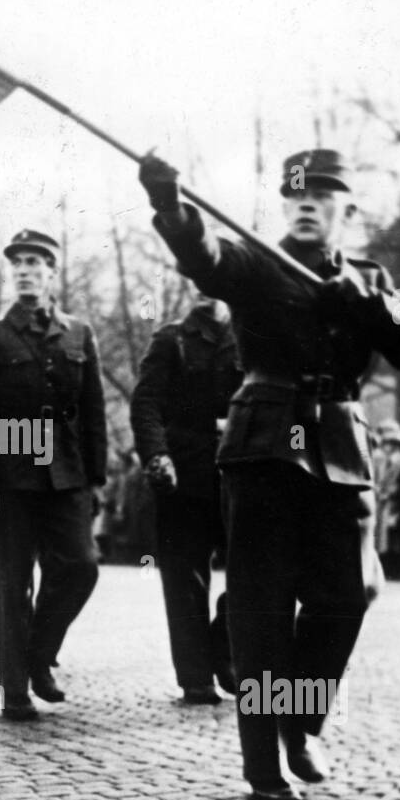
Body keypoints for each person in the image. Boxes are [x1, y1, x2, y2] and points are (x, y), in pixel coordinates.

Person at [139, 148, 400, 800]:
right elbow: (204, 257)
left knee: (349, 593)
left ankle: (299, 720)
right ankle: (262, 765)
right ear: (284, 206)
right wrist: (169, 205)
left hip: (339, 440)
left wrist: (364, 303)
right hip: (264, 442)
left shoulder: (369, 277)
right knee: (260, 606)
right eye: (295, 196)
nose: (306, 205)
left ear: (347, 210)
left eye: (321, 196)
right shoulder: (254, 261)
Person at [0, 229, 108, 721]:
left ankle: (40, 654)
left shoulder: (79, 333)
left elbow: (93, 412)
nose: (25, 270)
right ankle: (15, 688)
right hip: (11, 476)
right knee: (11, 583)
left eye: (35, 262)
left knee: (81, 566)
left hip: (66, 475)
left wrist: (97, 480)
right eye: (17, 263)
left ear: (52, 272)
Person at [130, 298, 242, 704]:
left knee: (258, 567)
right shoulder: (171, 339)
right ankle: (195, 676)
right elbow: (146, 404)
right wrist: (157, 456)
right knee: (183, 579)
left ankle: (223, 645)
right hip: (184, 474)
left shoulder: (252, 334)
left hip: (243, 471)